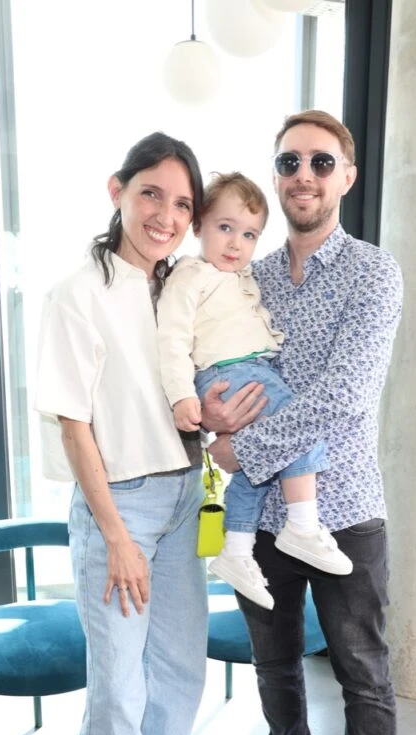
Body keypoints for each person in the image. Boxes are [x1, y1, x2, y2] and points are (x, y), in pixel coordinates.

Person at [201, 110, 408, 735]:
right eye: (289, 161)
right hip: (255, 516)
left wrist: (240, 445)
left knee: (362, 672)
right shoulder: (240, 275)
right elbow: (222, 376)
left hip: (346, 506)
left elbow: (346, 396)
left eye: (321, 162)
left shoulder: (373, 273)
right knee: (275, 659)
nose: (303, 175)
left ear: (346, 177)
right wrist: (216, 423)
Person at [35, 132, 209, 735]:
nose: (165, 215)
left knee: (177, 677)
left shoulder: (182, 289)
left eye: (181, 203)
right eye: (151, 194)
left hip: (180, 501)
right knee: (121, 699)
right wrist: (117, 536)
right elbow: (74, 426)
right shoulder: (79, 293)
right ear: (117, 191)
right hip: (122, 511)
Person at [156, 171, 352, 612]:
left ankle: (236, 550)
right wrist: (181, 397)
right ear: (199, 225)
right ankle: (302, 524)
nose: (235, 243)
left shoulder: (240, 276)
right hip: (230, 373)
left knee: (253, 468)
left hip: (250, 371)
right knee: (297, 426)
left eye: (249, 234)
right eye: (225, 228)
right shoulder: (191, 276)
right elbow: (169, 339)